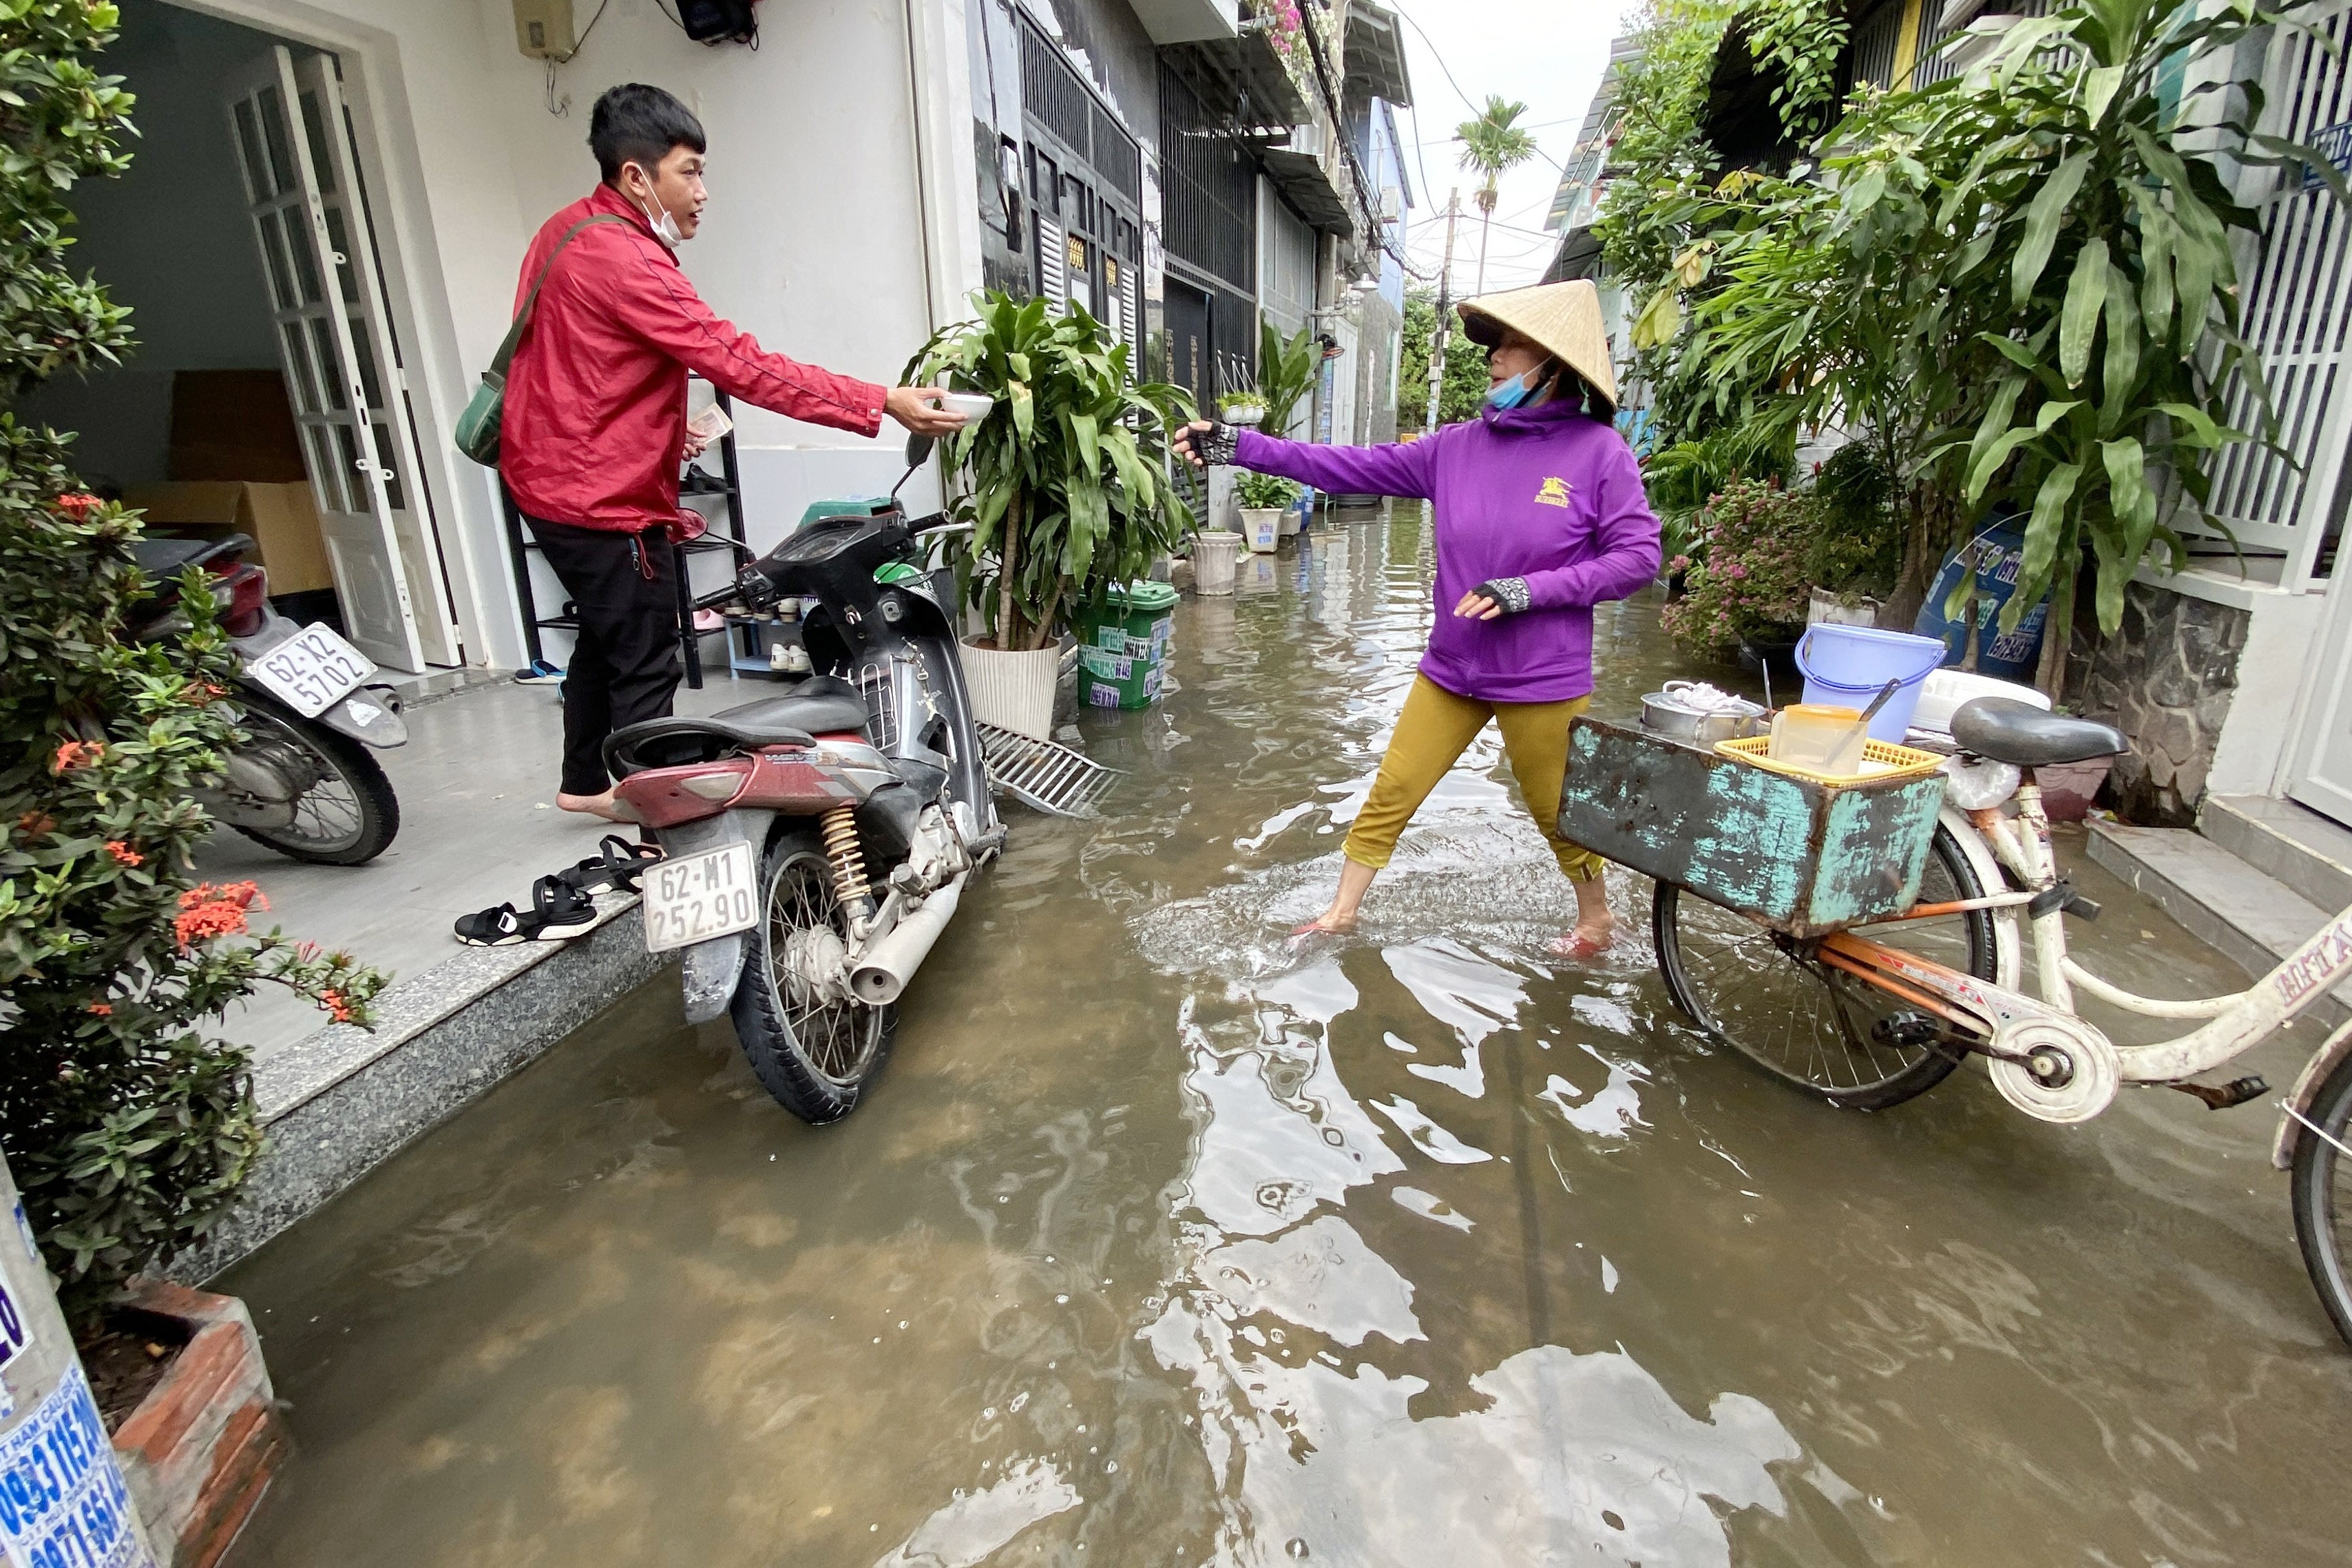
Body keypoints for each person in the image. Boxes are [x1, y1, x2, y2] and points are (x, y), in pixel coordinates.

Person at [501, 83, 966, 822]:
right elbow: (740, 363)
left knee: (605, 633)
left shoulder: (566, 232)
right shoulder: (626, 258)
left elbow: (581, 361)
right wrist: (882, 400)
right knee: (646, 654)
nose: (702, 191)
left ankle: (585, 780)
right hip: (600, 496)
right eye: (689, 171)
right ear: (635, 176)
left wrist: (649, 423)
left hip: (549, 476)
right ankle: (666, 823)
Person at [1175, 279, 1661, 955]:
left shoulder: (1598, 455)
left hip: (1540, 676)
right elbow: (1346, 467)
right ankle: (1340, 914)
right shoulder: (1455, 447)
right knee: (1391, 790)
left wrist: (1531, 590)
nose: (1493, 357)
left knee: (1556, 812)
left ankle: (1594, 919)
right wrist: (1240, 447)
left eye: (1510, 345)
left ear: (1553, 364)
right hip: (1453, 666)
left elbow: (1637, 559)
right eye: (1493, 343)